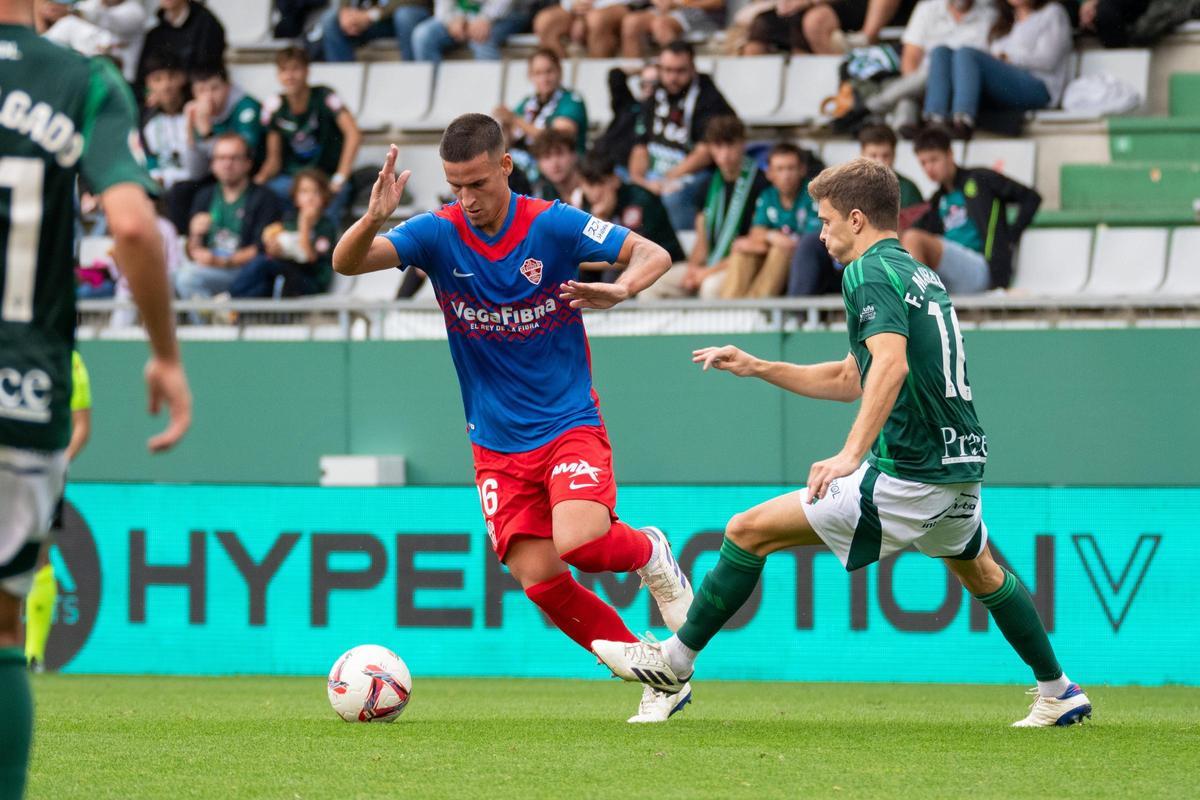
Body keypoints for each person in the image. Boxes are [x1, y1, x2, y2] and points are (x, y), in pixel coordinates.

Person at [591, 157, 1094, 729]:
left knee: (745, 532)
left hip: (909, 472)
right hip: (959, 463)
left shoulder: (866, 272)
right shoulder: (915, 271)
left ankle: (674, 663)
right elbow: (851, 377)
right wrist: (759, 366)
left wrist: (851, 454)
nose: (822, 234)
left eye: (827, 221)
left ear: (857, 219)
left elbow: (890, 364)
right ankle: (1059, 690)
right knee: (982, 573)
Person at [333, 113, 692, 724]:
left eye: (477, 183)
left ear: (506, 166)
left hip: (567, 422)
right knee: (541, 582)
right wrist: (374, 217)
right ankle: (659, 677)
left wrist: (623, 288)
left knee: (580, 543)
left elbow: (652, 252)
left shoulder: (552, 224)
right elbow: (347, 264)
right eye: (455, 186)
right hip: (496, 444)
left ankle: (650, 552)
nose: (467, 199)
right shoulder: (437, 233)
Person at [0, 5, 192, 795]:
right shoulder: (81, 81)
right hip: (22, 384)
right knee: (5, 627)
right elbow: (135, 230)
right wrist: (165, 354)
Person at [640, 115, 769, 300]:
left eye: (730, 145)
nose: (724, 154)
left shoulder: (760, 183)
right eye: (718, 146)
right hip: (710, 265)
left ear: (742, 144)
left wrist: (705, 273)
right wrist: (693, 270)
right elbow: (702, 242)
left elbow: (754, 246)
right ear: (710, 148)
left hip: (739, 265)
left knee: (709, 287)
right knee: (651, 285)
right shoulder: (707, 185)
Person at [903, 126, 1039, 292]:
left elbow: (1031, 197)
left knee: (913, 239)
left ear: (950, 154)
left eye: (934, 160)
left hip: (982, 268)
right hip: (950, 274)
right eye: (923, 163)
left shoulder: (980, 179)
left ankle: (919, 312)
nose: (929, 168)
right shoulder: (937, 200)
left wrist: (1010, 236)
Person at [23, 350, 90, 673]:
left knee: (39, 555)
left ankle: (32, 655)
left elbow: (82, 424)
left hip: (42, 471)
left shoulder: (69, 360)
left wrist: (59, 462)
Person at [922, 0, 1072, 138]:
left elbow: (1048, 60)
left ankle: (962, 121)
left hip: (1039, 87)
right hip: (1005, 86)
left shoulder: (1052, 12)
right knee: (941, 52)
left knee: (966, 53)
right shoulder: (1003, 19)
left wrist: (1009, 58)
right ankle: (935, 120)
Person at [629, 40, 736, 232]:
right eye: (667, 70)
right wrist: (640, 180)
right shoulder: (655, 94)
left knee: (673, 196)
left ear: (693, 68)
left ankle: (683, 251)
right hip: (655, 171)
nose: (672, 77)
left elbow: (705, 152)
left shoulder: (708, 97)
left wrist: (666, 180)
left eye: (680, 71)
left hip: (694, 174)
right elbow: (640, 145)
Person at [255, 47, 362, 222]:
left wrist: (341, 175)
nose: (290, 75)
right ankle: (286, 239)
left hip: (326, 176)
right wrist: (256, 183)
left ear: (307, 70)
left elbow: (354, 134)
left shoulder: (325, 96)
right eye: (284, 70)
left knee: (328, 196)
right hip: (293, 180)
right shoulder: (273, 106)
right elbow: (273, 160)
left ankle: (325, 244)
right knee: (266, 194)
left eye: (295, 68)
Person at [863, 0, 997, 135]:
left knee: (942, 58)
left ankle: (868, 108)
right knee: (915, 87)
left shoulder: (990, 14)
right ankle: (908, 127)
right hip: (925, 86)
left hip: (967, 91)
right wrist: (918, 88)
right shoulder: (926, 9)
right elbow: (910, 58)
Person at [176, 133, 284, 301]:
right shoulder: (205, 195)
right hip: (208, 268)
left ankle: (211, 325)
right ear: (212, 164)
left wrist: (220, 261)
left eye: (234, 158)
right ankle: (213, 318)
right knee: (167, 278)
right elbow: (193, 250)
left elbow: (261, 250)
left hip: (243, 272)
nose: (227, 164)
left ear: (248, 163)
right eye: (221, 158)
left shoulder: (264, 197)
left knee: (187, 278)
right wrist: (195, 235)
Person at [723, 142, 820, 298]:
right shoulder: (767, 195)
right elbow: (756, 233)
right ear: (769, 173)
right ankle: (730, 312)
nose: (786, 175)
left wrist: (768, 240)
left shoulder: (812, 196)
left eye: (791, 168)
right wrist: (771, 237)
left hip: (803, 266)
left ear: (802, 170)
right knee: (743, 251)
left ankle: (757, 310)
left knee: (780, 251)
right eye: (780, 169)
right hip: (773, 256)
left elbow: (805, 244)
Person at [577, 149, 685, 284]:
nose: (595, 192)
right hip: (627, 271)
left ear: (615, 180)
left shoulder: (640, 199)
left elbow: (632, 255)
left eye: (600, 183)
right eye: (590, 185)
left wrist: (580, 260)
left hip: (666, 266)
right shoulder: (587, 202)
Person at [230, 169, 338, 297]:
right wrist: (273, 248)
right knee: (263, 284)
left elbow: (309, 258)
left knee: (264, 263)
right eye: (304, 192)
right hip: (285, 273)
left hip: (309, 279)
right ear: (296, 198)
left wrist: (304, 225)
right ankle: (234, 308)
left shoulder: (326, 226)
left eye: (316, 192)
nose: (310, 197)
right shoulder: (289, 221)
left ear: (325, 196)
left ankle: (230, 296)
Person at [494, 48, 588, 185]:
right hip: (519, 170)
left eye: (549, 71)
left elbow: (557, 137)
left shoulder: (572, 101)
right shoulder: (527, 103)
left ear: (559, 72)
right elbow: (511, 138)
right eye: (538, 73)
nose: (544, 78)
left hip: (554, 174)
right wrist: (504, 128)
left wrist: (514, 119)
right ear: (530, 76)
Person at [140, 53, 204, 194]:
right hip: (158, 184)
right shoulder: (145, 120)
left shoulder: (195, 111)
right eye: (158, 79)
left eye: (172, 77)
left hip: (194, 184)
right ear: (148, 83)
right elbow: (148, 157)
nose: (166, 85)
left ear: (183, 78)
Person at [134, 0, 226, 97]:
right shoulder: (155, 33)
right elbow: (143, 77)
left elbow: (207, 75)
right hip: (162, 103)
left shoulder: (207, 25)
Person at [411, 0, 521, 66]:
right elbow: (442, 9)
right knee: (423, 36)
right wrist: (451, 20)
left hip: (503, 14)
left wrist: (486, 18)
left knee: (480, 38)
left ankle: (488, 92)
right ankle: (435, 95)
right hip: (459, 15)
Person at [319, 0, 433, 62]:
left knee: (405, 16)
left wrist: (370, 15)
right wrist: (345, 13)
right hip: (369, 19)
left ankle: (413, 76)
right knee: (330, 19)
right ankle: (344, 83)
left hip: (404, 15)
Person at [620, 0, 724, 58]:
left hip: (699, 13)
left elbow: (717, 2)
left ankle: (678, 72)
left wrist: (679, 5)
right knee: (631, 22)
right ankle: (632, 80)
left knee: (660, 25)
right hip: (665, 11)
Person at [533, 0, 631, 58]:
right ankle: (559, 81)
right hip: (579, 7)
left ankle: (597, 78)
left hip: (619, 5)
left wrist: (591, 8)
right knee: (544, 22)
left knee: (596, 20)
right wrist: (574, 5)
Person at [528, 128, 582, 204]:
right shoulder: (541, 193)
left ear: (574, 155)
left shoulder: (593, 186)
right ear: (539, 164)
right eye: (547, 156)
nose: (554, 163)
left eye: (559, 153)